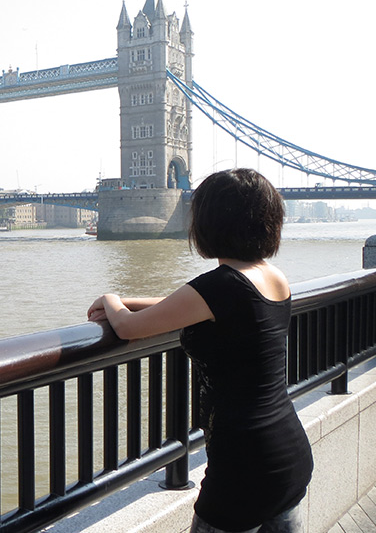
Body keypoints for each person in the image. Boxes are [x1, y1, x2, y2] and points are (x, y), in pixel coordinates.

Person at [87, 169, 313, 533]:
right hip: (288, 455)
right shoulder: (272, 275)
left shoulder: (219, 285)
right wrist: (131, 300)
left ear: (209, 222)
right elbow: (191, 305)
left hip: (242, 466)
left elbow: (127, 328)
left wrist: (112, 300)